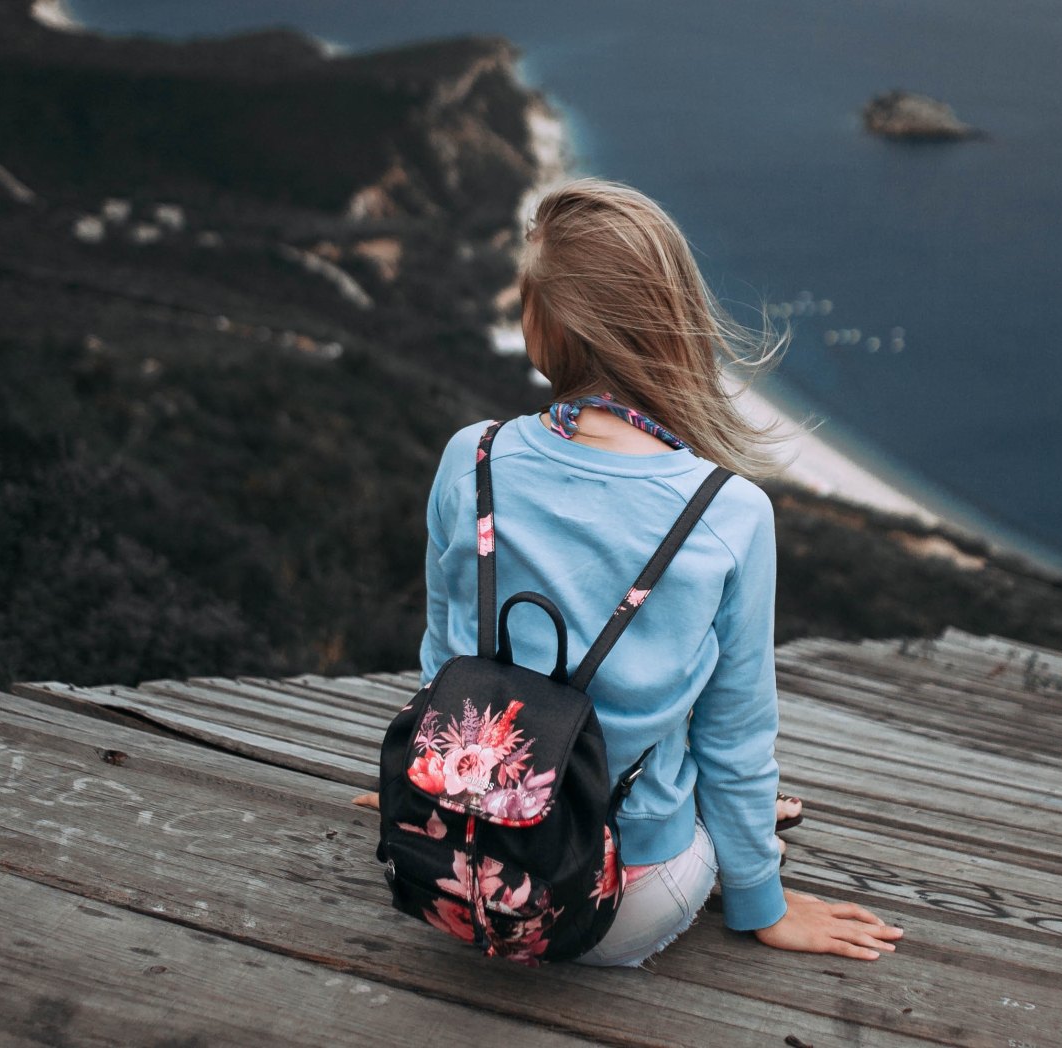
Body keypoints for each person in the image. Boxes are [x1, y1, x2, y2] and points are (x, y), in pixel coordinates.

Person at [358, 178, 902, 967]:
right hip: (619, 906)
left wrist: (433, 788)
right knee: (718, 797)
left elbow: (446, 660)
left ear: (543, 325)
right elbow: (735, 735)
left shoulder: (470, 458)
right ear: (670, 323)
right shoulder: (728, 510)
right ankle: (737, 839)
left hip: (451, 868)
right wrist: (762, 903)